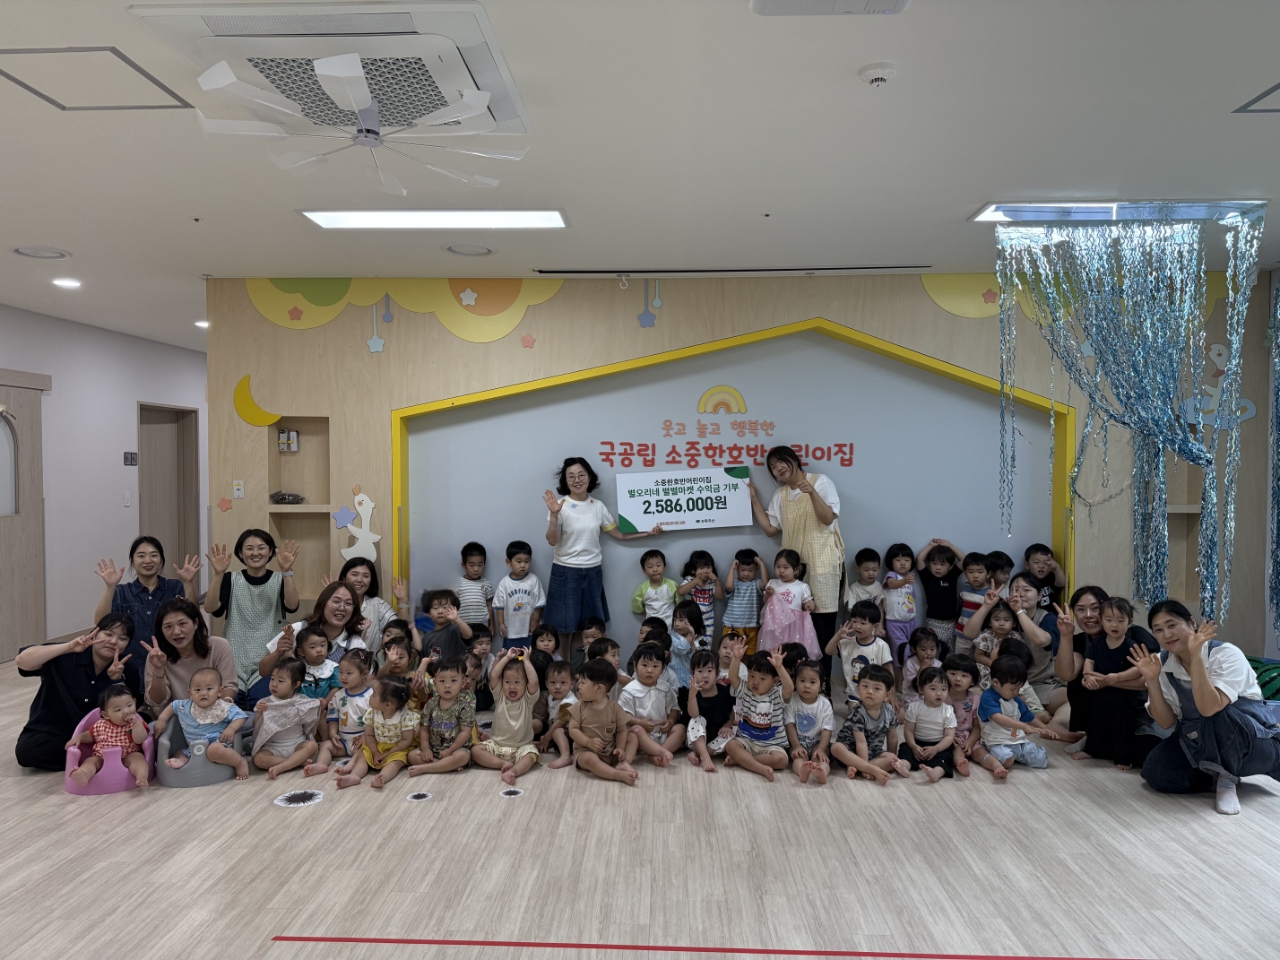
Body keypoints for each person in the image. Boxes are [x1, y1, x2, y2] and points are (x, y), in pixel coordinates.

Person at [1131, 600, 1280, 816]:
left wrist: (1196, 657)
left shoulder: (1226, 654)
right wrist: (1152, 680)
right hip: (1199, 741)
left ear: (1192, 623)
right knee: (1156, 773)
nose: (1167, 634)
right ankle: (1214, 775)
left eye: (1172, 625)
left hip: (1254, 742)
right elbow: (1166, 722)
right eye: (1158, 630)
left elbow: (1209, 707)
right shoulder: (1162, 663)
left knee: (1217, 712)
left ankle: (1226, 779)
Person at [543, 456, 661, 661]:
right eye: (571, 476)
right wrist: (554, 515)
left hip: (592, 571)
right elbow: (553, 540)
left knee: (585, 629)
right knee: (563, 629)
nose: (577, 480)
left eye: (581, 475)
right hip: (565, 572)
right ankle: (562, 673)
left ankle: (580, 671)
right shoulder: (560, 506)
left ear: (589, 477)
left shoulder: (597, 506)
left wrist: (647, 533)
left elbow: (618, 534)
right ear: (565, 480)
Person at [748, 446, 845, 693]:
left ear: (795, 460)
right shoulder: (780, 494)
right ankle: (792, 687)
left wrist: (810, 491)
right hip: (791, 570)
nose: (778, 468)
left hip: (822, 563)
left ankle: (822, 689)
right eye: (773, 467)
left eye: (781, 462)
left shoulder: (820, 481)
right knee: (792, 631)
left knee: (821, 629)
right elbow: (771, 529)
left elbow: (828, 518)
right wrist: (754, 500)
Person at [15, 615, 142, 770]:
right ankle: (97, 757)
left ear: (128, 644)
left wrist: (116, 680)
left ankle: (93, 757)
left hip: (102, 734)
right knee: (27, 750)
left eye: (122, 638)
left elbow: (129, 711)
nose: (113, 641)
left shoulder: (127, 669)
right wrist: (68, 646)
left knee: (143, 729)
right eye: (108, 634)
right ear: (95, 633)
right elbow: (22, 662)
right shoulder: (67, 653)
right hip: (55, 729)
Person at [1053, 585, 1157, 745]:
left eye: (1095, 608)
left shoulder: (1136, 635)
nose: (1089, 615)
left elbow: (1150, 680)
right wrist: (1066, 635)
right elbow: (1066, 674)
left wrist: (1111, 681)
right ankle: (1091, 735)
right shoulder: (1081, 640)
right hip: (1101, 707)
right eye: (1081, 610)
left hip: (1137, 708)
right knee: (1081, 677)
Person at [1068, 597, 1160, 770]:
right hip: (1100, 695)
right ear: (1101, 621)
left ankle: (1122, 758)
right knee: (1097, 724)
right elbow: (1089, 660)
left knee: (1122, 729)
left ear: (1130, 622)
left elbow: (1139, 668)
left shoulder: (1131, 645)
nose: (1114, 625)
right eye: (1109, 620)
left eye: (1120, 621)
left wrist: (1118, 677)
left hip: (1125, 698)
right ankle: (1093, 750)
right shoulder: (1098, 643)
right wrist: (1088, 675)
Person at [204, 530, 299, 689]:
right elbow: (210, 608)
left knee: (264, 701)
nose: (255, 553)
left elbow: (292, 606)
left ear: (270, 552)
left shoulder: (280, 578)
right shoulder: (230, 579)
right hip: (235, 659)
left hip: (270, 659)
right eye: (249, 548)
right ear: (241, 553)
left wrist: (287, 572)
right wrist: (218, 574)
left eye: (261, 548)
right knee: (231, 701)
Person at [93, 536, 201, 661]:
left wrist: (188, 583)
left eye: (154, 555)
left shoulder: (175, 586)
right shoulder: (122, 591)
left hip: (170, 660)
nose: (148, 560)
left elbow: (193, 615)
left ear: (161, 561)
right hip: (131, 662)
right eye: (141, 556)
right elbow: (100, 621)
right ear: (132, 562)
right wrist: (110, 587)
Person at [257, 583, 365, 701]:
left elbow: (363, 684)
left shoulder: (355, 644)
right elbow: (264, 671)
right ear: (323, 603)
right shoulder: (298, 630)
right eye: (336, 601)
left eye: (348, 603)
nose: (342, 607)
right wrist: (278, 652)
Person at [142, 598, 238, 713]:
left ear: (195, 623)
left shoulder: (219, 646)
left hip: (215, 712)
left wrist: (219, 711)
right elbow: (157, 701)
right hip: (175, 717)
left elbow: (228, 686)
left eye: (182, 624)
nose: (176, 631)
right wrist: (158, 669)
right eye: (168, 626)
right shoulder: (157, 656)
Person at [152, 668, 250, 780]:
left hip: (218, 743)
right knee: (178, 753)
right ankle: (185, 760)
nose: (203, 693)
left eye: (209, 689)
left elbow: (241, 717)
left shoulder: (222, 707)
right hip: (193, 748)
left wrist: (231, 728)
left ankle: (239, 762)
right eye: (198, 690)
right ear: (190, 693)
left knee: (214, 750)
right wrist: (162, 720)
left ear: (219, 691)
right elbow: (172, 706)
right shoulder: (184, 706)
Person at [830, 666, 912, 784]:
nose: (869, 691)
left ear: (887, 695)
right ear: (858, 689)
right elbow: (861, 742)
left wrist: (893, 758)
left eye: (876, 688)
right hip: (850, 749)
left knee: (891, 759)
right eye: (865, 686)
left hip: (873, 752)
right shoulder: (858, 712)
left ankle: (856, 766)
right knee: (836, 748)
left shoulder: (889, 710)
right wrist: (866, 767)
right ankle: (867, 768)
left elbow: (893, 737)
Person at [724, 641, 793, 781]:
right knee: (731, 745)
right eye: (751, 676)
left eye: (762, 678)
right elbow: (733, 678)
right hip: (746, 741)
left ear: (774, 682)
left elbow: (790, 688)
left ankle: (742, 760)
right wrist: (736, 658)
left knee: (782, 760)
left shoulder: (776, 694)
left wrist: (779, 667)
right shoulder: (746, 690)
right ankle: (759, 768)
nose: (755, 681)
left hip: (772, 745)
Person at [979, 656, 1061, 774]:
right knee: (1007, 760)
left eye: (1018, 689)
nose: (1016, 693)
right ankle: (1003, 756)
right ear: (996, 682)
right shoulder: (988, 697)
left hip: (1019, 741)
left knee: (1041, 760)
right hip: (996, 742)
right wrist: (1024, 726)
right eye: (1012, 689)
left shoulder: (1016, 701)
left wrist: (1045, 728)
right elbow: (998, 718)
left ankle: (1018, 755)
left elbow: (1029, 716)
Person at [1005, 572, 1066, 728]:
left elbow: (1042, 640)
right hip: (1011, 685)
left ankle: (1049, 722)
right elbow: (970, 634)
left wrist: (1020, 612)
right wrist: (987, 607)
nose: (1020, 594)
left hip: (1043, 684)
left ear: (1039, 596)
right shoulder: (1004, 616)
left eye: (1026, 590)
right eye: (1015, 589)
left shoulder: (1047, 618)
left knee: (1075, 696)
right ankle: (1040, 717)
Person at [473, 647, 541, 785]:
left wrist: (526, 661)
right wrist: (507, 657)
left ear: (525, 684)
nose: (512, 687)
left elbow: (534, 682)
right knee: (475, 751)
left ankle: (513, 771)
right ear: (502, 682)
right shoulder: (499, 696)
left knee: (531, 756)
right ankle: (501, 763)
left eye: (517, 682)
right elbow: (493, 676)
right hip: (497, 745)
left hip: (521, 747)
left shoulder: (528, 699)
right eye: (507, 682)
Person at [335, 676, 418, 789]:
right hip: (376, 744)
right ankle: (354, 775)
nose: (370, 697)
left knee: (396, 761)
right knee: (363, 756)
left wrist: (389, 753)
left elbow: (406, 740)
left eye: (373, 695)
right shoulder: (371, 713)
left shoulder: (405, 716)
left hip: (397, 748)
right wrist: (374, 752)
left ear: (388, 705)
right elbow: (369, 735)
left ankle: (382, 777)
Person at [569, 658, 640, 786]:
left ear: (599, 688)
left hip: (610, 751)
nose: (578, 686)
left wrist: (620, 747)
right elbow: (573, 730)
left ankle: (624, 763)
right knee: (589, 759)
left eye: (583, 682)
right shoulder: (579, 706)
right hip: (586, 751)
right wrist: (588, 742)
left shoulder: (615, 707)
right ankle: (616, 774)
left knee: (633, 737)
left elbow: (621, 730)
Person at [306, 648, 374, 777]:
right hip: (343, 741)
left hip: (363, 741)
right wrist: (332, 733)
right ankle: (321, 764)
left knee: (366, 752)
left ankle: (354, 773)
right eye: (341, 672)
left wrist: (366, 737)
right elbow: (333, 717)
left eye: (349, 673)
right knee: (325, 745)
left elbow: (375, 720)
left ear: (364, 674)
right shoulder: (338, 695)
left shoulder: (371, 696)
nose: (343, 676)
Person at [65, 685, 150, 788]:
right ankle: (84, 774)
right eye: (118, 710)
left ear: (135, 702)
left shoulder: (136, 723)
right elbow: (90, 735)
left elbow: (139, 739)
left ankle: (141, 776)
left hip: (127, 757)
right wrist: (79, 738)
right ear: (106, 715)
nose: (126, 711)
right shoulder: (101, 724)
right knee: (91, 761)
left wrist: (136, 724)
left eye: (129, 705)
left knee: (138, 758)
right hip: (102, 758)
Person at [251, 658, 320, 779]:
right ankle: (296, 762)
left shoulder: (301, 701)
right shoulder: (265, 703)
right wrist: (259, 714)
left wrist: (318, 705)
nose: (274, 684)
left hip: (297, 744)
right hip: (273, 747)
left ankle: (282, 767)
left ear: (296, 684)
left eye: (281, 681)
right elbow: (257, 728)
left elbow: (310, 723)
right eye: (272, 679)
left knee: (312, 746)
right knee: (259, 759)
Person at [322, 557, 407, 653]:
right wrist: (330, 596)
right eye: (354, 574)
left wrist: (401, 601)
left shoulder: (378, 605)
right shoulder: (332, 603)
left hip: (370, 660)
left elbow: (400, 629)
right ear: (344, 577)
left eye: (365, 576)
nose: (359, 580)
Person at [407, 657, 474, 776]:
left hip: (455, 750)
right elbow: (424, 729)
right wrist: (425, 749)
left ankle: (427, 768)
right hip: (433, 749)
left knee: (463, 756)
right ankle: (443, 766)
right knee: (412, 756)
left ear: (463, 682)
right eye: (442, 681)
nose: (447, 685)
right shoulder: (431, 704)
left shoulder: (464, 706)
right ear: (435, 682)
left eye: (453, 681)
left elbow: (465, 732)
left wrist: (450, 750)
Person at [618, 642, 680, 764]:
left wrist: (671, 721)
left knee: (680, 729)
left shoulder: (666, 687)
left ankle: (656, 753)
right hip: (641, 736)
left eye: (655, 666)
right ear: (635, 666)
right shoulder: (629, 690)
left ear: (662, 669)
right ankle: (661, 752)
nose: (650, 670)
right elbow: (623, 716)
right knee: (636, 730)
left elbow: (674, 708)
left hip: (661, 733)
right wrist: (639, 722)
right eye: (644, 665)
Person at [827, 600, 893, 704]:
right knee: (855, 713)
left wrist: (891, 692)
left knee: (884, 712)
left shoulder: (881, 645)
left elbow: (889, 669)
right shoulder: (848, 642)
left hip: (875, 694)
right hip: (855, 694)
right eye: (854, 621)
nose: (857, 626)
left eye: (863, 623)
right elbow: (829, 651)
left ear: (875, 626)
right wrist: (838, 636)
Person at [898, 666, 957, 782]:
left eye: (944, 689)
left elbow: (949, 736)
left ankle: (936, 772)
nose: (939, 693)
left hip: (939, 745)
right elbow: (909, 730)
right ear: (921, 689)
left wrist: (936, 749)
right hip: (917, 743)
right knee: (905, 749)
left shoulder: (948, 710)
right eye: (933, 689)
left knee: (946, 756)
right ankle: (904, 766)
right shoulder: (914, 707)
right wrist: (914, 746)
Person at [682, 649, 736, 771]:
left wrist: (727, 726)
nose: (705, 675)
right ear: (692, 673)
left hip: (716, 738)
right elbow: (693, 714)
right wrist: (692, 695)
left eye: (710, 671)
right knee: (697, 719)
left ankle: (697, 754)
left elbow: (731, 713)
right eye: (700, 671)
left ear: (717, 673)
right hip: (695, 739)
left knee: (732, 734)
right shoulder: (692, 693)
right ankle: (704, 756)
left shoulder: (724, 691)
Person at [759, 548, 820, 658]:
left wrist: (809, 604)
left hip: (794, 625)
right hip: (775, 624)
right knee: (773, 648)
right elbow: (766, 602)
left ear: (796, 570)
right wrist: (768, 594)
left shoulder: (802, 586)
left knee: (792, 650)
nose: (781, 571)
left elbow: (806, 602)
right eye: (778, 567)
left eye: (785, 567)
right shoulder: (772, 583)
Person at [943, 654, 994, 778]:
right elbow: (935, 723)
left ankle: (996, 766)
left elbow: (977, 726)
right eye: (952, 674)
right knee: (956, 751)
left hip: (970, 736)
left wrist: (970, 742)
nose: (957, 679)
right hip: (949, 736)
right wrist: (949, 737)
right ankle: (961, 763)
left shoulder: (975, 699)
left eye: (964, 676)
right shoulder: (941, 698)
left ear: (972, 681)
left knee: (980, 752)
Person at [784, 659, 834, 784]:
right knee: (798, 758)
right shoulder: (792, 700)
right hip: (797, 741)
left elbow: (827, 730)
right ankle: (802, 770)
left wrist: (821, 748)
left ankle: (822, 772)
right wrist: (796, 746)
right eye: (802, 681)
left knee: (822, 758)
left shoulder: (825, 704)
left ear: (821, 686)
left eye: (812, 682)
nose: (806, 685)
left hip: (818, 742)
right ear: (795, 682)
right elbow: (790, 725)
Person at [494, 540, 546, 650]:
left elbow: (539, 604)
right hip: (511, 631)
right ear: (509, 562)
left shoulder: (534, 581)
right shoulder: (504, 583)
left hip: (530, 630)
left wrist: (535, 621)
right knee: (511, 657)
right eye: (518, 562)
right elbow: (500, 606)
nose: (523, 565)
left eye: (527, 561)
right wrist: (500, 623)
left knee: (530, 655)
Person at [915, 539, 964, 651]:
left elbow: (964, 561)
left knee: (949, 651)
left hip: (951, 622)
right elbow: (919, 559)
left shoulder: (952, 575)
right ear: (929, 564)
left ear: (950, 566)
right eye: (934, 564)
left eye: (942, 564)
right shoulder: (927, 577)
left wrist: (950, 545)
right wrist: (930, 546)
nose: (938, 567)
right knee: (933, 649)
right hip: (933, 621)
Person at [964, 595, 1019, 687]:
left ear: (1014, 623)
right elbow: (978, 655)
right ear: (989, 622)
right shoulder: (986, 635)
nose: (1001, 623)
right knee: (976, 669)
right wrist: (994, 664)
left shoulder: (1016, 637)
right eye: (996, 619)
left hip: (1009, 668)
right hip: (988, 666)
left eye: (1006, 620)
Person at [882, 543, 918, 673]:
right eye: (898, 560)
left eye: (907, 560)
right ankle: (898, 681)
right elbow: (892, 584)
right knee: (899, 652)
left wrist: (906, 581)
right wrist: (905, 581)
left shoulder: (909, 582)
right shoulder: (892, 575)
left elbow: (911, 600)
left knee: (912, 650)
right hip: (894, 623)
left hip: (910, 622)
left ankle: (909, 678)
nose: (903, 563)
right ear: (891, 563)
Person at [677, 550, 722, 648]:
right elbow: (680, 591)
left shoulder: (711, 582)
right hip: (690, 622)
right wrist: (695, 582)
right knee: (690, 646)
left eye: (708, 567)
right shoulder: (690, 580)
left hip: (707, 623)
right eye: (701, 568)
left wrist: (716, 581)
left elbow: (719, 596)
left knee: (705, 648)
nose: (705, 571)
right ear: (693, 570)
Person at [722, 549, 764, 655]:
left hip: (751, 627)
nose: (746, 574)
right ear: (737, 568)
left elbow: (765, 584)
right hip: (732, 626)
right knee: (730, 653)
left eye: (750, 570)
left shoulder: (755, 584)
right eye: (742, 570)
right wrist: (732, 568)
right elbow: (729, 586)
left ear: (756, 569)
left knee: (749, 654)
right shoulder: (734, 583)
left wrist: (762, 564)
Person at [538, 660, 577, 769]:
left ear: (572, 684)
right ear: (547, 684)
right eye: (553, 682)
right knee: (546, 735)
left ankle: (566, 756)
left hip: (573, 736)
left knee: (557, 731)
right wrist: (545, 739)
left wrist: (547, 738)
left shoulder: (568, 702)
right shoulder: (551, 697)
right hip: (562, 734)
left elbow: (560, 723)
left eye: (563, 683)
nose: (557, 686)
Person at [417, 590, 473, 662]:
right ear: (428, 613)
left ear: (454, 609)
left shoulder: (454, 629)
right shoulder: (426, 638)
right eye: (435, 608)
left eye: (445, 607)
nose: (440, 611)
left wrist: (456, 619)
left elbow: (468, 635)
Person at [954, 553, 993, 656]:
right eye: (971, 572)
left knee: (977, 659)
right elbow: (960, 607)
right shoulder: (964, 588)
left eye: (980, 572)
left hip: (981, 635)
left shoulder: (990, 593)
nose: (975, 575)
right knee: (960, 659)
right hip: (961, 633)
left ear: (988, 574)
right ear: (965, 574)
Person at [632, 549, 679, 630]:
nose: (655, 569)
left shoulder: (672, 585)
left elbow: (679, 604)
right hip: (651, 626)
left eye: (658, 565)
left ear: (664, 567)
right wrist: (648, 615)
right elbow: (636, 607)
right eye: (650, 567)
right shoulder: (642, 588)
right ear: (644, 570)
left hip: (671, 624)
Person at [456, 541, 495, 630]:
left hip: (482, 625)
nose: (476, 569)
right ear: (464, 565)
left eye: (480, 565)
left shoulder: (486, 584)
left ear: (484, 564)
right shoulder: (458, 584)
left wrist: (492, 625)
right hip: (463, 625)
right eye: (472, 565)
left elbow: (489, 606)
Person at [843, 548, 885, 626]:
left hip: (874, 626)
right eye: (866, 570)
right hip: (859, 626)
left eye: (874, 570)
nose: (871, 573)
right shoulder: (853, 589)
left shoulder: (878, 586)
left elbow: (880, 609)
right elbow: (853, 612)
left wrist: (880, 626)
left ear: (879, 568)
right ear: (857, 569)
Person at [902, 627, 944, 702]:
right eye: (923, 649)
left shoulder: (938, 664)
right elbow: (913, 686)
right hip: (913, 695)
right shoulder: (910, 663)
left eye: (932, 649)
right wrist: (923, 667)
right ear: (914, 649)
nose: (928, 653)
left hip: (931, 694)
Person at [1023, 543, 1066, 611]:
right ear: (1027, 565)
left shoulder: (1051, 577)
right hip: (1032, 615)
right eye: (1036, 562)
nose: (1041, 566)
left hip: (1051, 614)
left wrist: (1057, 568)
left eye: (1046, 563)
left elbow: (1061, 583)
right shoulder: (1024, 580)